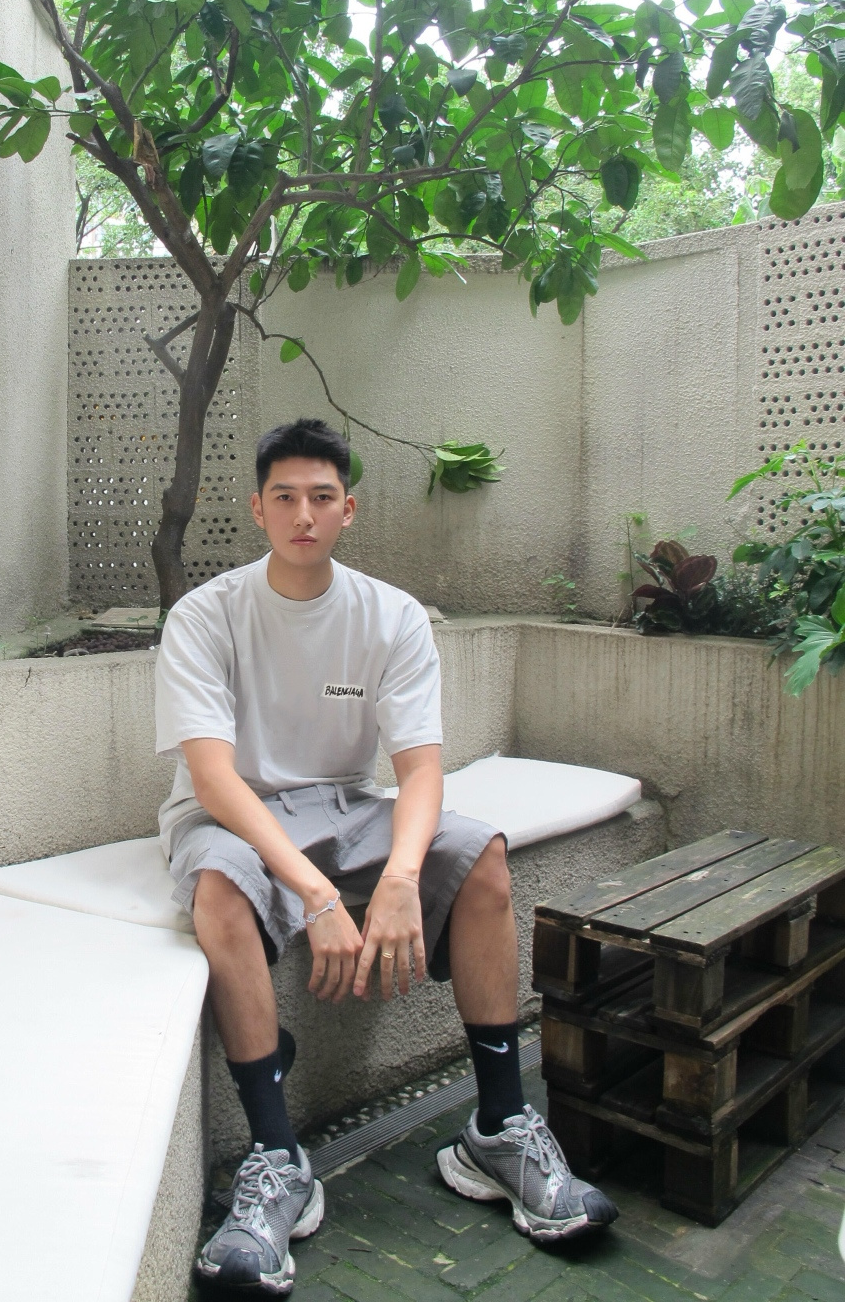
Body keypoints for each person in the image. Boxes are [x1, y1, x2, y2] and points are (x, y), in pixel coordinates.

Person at [154, 418, 617, 1296]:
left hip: (346, 802)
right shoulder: (206, 615)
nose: (303, 515)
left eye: (321, 497)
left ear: (348, 509)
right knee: (218, 891)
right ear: (257, 509)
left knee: (479, 856)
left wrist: (401, 877)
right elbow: (213, 779)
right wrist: (320, 896)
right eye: (285, 497)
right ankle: (277, 1158)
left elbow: (420, 771)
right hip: (235, 812)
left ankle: (499, 1129)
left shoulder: (390, 615)